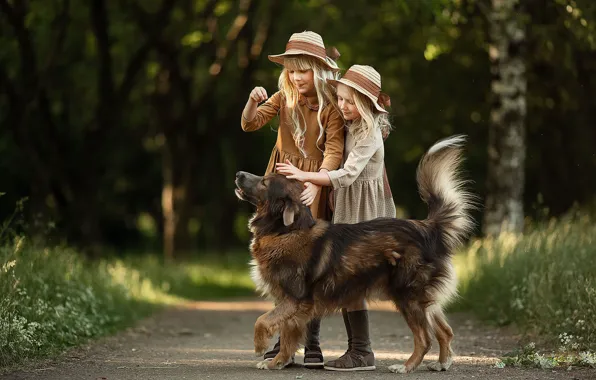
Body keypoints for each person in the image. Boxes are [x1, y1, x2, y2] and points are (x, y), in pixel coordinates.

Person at [276, 64, 396, 371]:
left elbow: (348, 173)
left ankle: (361, 351)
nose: (342, 106)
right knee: (346, 280)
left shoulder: (369, 133)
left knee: (353, 281)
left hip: (365, 214)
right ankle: (358, 350)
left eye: (349, 101)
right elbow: (319, 99)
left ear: (367, 104)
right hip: (348, 208)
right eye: (339, 99)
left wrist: (308, 176)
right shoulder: (352, 125)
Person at [241, 31, 345, 368]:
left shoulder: (330, 106)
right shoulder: (282, 97)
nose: (297, 77)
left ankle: (312, 341)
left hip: (311, 186)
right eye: (292, 70)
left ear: (319, 69)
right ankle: (282, 343)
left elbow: (333, 151)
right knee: (281, 265)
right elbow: (250, 123)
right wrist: (253, 102)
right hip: (283, 182)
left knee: (308, 264)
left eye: (304, 70)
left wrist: (317, 181)